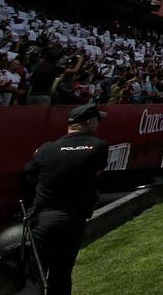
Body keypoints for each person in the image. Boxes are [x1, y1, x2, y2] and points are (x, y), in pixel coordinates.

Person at [24, 103, 109, 294]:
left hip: (43, 218)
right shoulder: (99, 146)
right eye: (97, 120)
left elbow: (30, 172)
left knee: (34, 278)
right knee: (61, 274)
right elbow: (97, 172)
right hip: (73, 218)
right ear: (89, 122)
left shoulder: (46, 149)